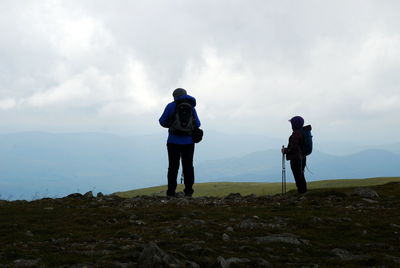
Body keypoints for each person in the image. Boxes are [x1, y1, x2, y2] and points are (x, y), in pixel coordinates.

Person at [159, 88, 201, 197]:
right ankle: (188, 192)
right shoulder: (191, 107)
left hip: (173, 141)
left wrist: (172, 124)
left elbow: (162, 121)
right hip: (189, 142)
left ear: (174, 96)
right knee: (188, 166)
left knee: (173, 167)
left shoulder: (170, 106)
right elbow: (198, 124)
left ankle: (171, 192)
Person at [281, 116, 312, 194]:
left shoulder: (297, 133)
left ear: (294, 124)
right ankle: (303, 192)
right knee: (301, 174)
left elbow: (293, 148)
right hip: (303, 156)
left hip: (296, 158)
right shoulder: (305, 132)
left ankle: (302, 192)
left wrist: (285, 150)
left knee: (298, 175)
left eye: (292, 123)